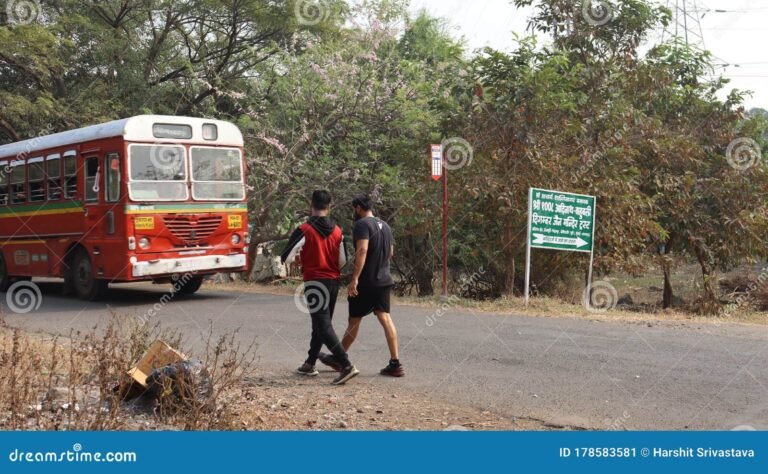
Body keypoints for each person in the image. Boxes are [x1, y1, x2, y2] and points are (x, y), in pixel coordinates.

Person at [319, 194, 404, 377]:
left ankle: (339, 358)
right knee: (385, 318)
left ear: (358, 207)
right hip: (384, 280)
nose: (353, 213)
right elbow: (390, 252)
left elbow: (363, 249)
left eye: (353, 209)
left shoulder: (362, 225)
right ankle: (395, 363)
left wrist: (355, 278)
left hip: (366, 282)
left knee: (354, 320)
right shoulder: (386, 226)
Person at [281, 190, 359, 385]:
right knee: (321, 324)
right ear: (329, 206)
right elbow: (342, 261)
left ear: (311, 205)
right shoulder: (338, 230)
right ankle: (310, 363)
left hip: (315, 282)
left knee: (323, 325)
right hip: (333, 281)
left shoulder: (305, 229)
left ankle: (346, 364)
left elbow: (286, 257)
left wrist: (302, 259)